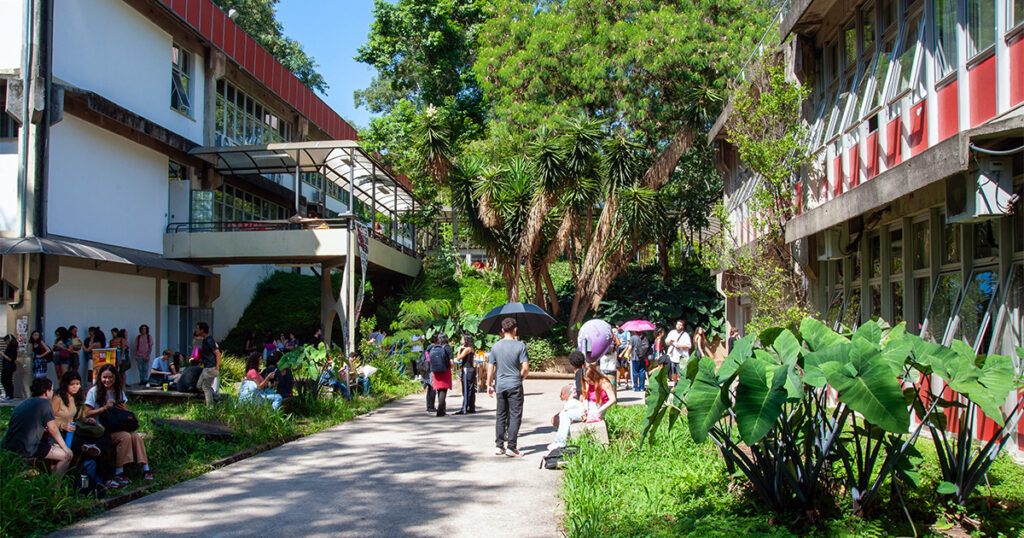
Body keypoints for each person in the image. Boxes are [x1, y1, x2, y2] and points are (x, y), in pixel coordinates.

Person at [83, 364, 152, 484]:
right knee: (125, 437)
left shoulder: (118, 391)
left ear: (115, 378)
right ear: (100, 377)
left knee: (135, 436)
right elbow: (87, 413)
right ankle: (119, 471)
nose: (107, 380)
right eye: (105, 377)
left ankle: (145, 467)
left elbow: (123, 411)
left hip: (117, 425)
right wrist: (104, 408)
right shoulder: (93, 392)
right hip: (102, 429)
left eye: (110, 377)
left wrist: (123, 409)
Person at [2, 378, 73, 482]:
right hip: (27, 448)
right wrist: (66, 448)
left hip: (9, 445)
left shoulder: (24, 403)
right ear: (46, 391)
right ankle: (55, 488)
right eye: (52, 390)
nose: (52, 393)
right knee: (66, 456)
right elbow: (53, 429)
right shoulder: (45, 403)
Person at [487, 318, 529, 457]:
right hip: (515, 384)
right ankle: (512, 447)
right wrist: (520, 378)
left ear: (503, 330)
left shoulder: (495, 347)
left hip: (500, 385)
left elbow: (491, 367)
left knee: (500, 415)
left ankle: (499, 446)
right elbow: (526, 367)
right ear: (515, 329)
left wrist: (489, 384)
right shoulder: (520, 346)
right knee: (515, 415)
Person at [50, 371, 104, 460]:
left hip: (73, 430)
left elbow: (78, 418)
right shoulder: (58, 399)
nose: (75, 387)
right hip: (59, 433)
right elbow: (48, 419)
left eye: (77, 384)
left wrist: (86, 420)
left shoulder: (76, 398)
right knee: (78, 444)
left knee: (102, 434)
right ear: (66, 385)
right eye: (72, 384)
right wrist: (62, 426)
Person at [548, 384, 585, 451]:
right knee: (563, 415)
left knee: (563, 415)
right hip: (583, 411)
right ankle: (558, 441)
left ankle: (561, 441)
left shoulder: (572, 402)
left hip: (585, 412)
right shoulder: (572, 401)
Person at [195, 322, 221, 406]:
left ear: (202, 330)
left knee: (206, 387)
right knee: (199, 386)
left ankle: (210, 408)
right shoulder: (205, 340)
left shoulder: (209, 340)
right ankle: (214, 396)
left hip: (211, 367)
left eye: (198, 328)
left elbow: (218, 353)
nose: (196, 330)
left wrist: (217, 367)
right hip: (206, 367)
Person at [428, 334, 454, 417]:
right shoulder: (447, 348)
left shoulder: (434, 348)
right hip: (445, 371)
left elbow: (428, 357)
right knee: (443, 391)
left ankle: (442, 410)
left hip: (435, 371)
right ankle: (440, 411)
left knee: (439, 390)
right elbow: (452, 363)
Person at [454, 335, 476, 415]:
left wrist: (459, 350)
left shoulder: (467, 349)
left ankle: (464, 408)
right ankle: (471, 407)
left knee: (466, 389)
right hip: (471, 369)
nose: (461, 340)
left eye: (462, 339)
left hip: (467, 370)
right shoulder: (471, 349)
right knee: (471, 388)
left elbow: (459, 358)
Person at [2, 334, 17, 400]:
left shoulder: (12, 347)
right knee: (5, 380)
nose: (6, 343)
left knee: (6, 380)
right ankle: (8, 395)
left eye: (6, 341)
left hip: (9, 366)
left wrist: (2, 354)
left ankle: (10, 395)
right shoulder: (10, 347)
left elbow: (10, 359)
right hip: (7, 365)